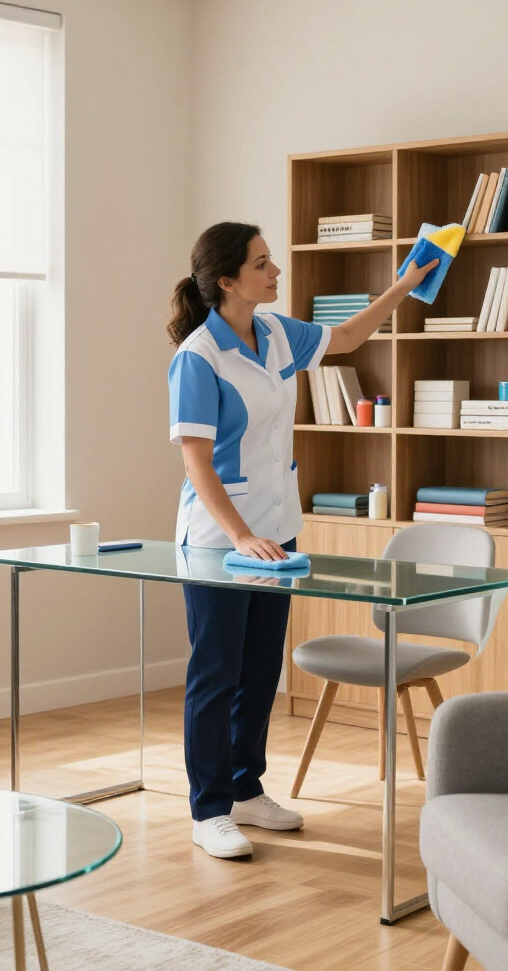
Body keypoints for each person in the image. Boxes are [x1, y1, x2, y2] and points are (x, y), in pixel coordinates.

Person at [166, 221, 437, 859]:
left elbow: (345, 337)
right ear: (228, 280)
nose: (276, 272)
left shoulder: (278, 333)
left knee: (261, 669)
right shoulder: (197, 358)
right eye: (263, 265)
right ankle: (208, 811)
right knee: (216, 673)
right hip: (216, 539)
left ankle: (246, 790)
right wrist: (240, 533)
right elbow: (196, 461)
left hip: (277, 530)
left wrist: (404, 285)